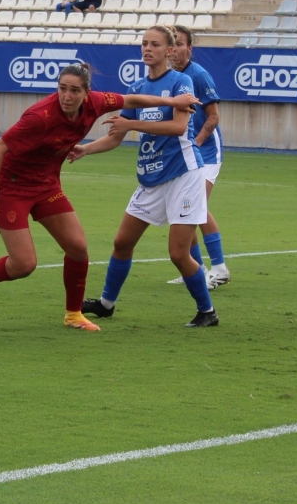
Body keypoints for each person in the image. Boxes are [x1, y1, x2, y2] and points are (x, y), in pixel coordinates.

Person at [0, 62, 202, 330]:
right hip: (13, 188)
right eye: (62, 89)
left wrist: (171, 100)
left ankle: (73, 314)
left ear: (86, 93)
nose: (67, 96)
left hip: (47, 186)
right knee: (24, 264)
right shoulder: (39, 116)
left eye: (74, 90)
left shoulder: (96, 103)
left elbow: (132, 98)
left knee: (78, 248)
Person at [76, 25, 218, 328]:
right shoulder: (138, 86)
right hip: (151, 177)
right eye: (143, 44)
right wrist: (85, 150)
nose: (147, 49)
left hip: (184, 174)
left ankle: (207, 311)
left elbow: (180, 127)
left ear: (169, 50)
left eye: (154, 44)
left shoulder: (182, 82)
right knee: (122, 242)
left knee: (179, 253)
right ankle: (106, 304)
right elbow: (116, 135)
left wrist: (133, 127)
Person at [166, 25, 230, 289]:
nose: (176, 49)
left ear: (189, 48)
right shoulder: (167, 77)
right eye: (173, 44)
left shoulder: (199, 75)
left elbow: (213, 117)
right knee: (185, 209)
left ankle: (220, 268)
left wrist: (196, 143)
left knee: (197, 205)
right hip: (185, 153)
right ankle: (194, 268)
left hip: (206, 152)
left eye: (181, 44)